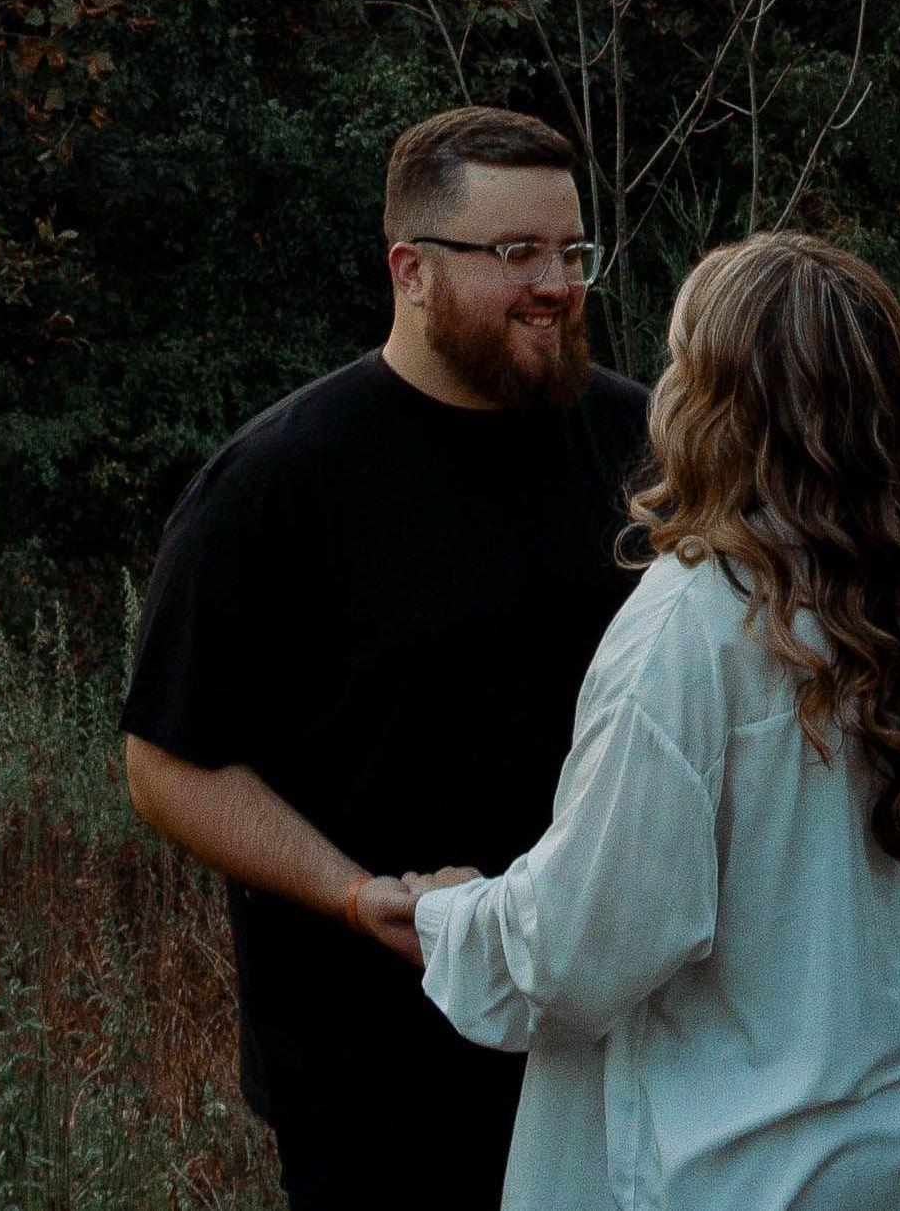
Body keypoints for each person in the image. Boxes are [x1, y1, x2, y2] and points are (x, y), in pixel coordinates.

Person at [406, 231, 900, 1211]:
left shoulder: (688, 628)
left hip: (768, 1165)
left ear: (710, 403)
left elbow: (579, 953)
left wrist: (445, 917)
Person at [118, 107, 652, 1210]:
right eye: (518, 252)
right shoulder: (278, 484)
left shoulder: (648, 448)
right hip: (376, 1075)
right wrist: (357, 897)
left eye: (573, 252)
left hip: (615, 1049)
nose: (557, 284)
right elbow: (166, 764)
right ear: (412, 269)